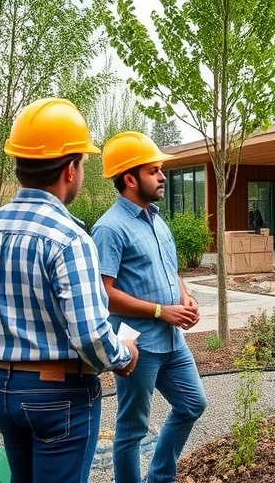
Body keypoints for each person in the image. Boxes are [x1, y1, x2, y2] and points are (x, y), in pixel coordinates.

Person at [0, 98, 137, 483]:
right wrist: (122, 355)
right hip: (60, 394)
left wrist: (12, 339)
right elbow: (90, 334)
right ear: (70, 169)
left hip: (4, 388)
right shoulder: (69, 239)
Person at [92, 131, 208, 483]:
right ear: (130, 179)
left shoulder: (156, 219)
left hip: (172, 340)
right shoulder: (110, 228)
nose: (162, 177)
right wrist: (161, 311)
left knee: (192, 404)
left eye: (160, 170)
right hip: (136, 347)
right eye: (154, 171)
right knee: (132, 429)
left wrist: (185, 297)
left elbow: (172, 270)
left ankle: (160, 477)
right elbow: (104, 292)